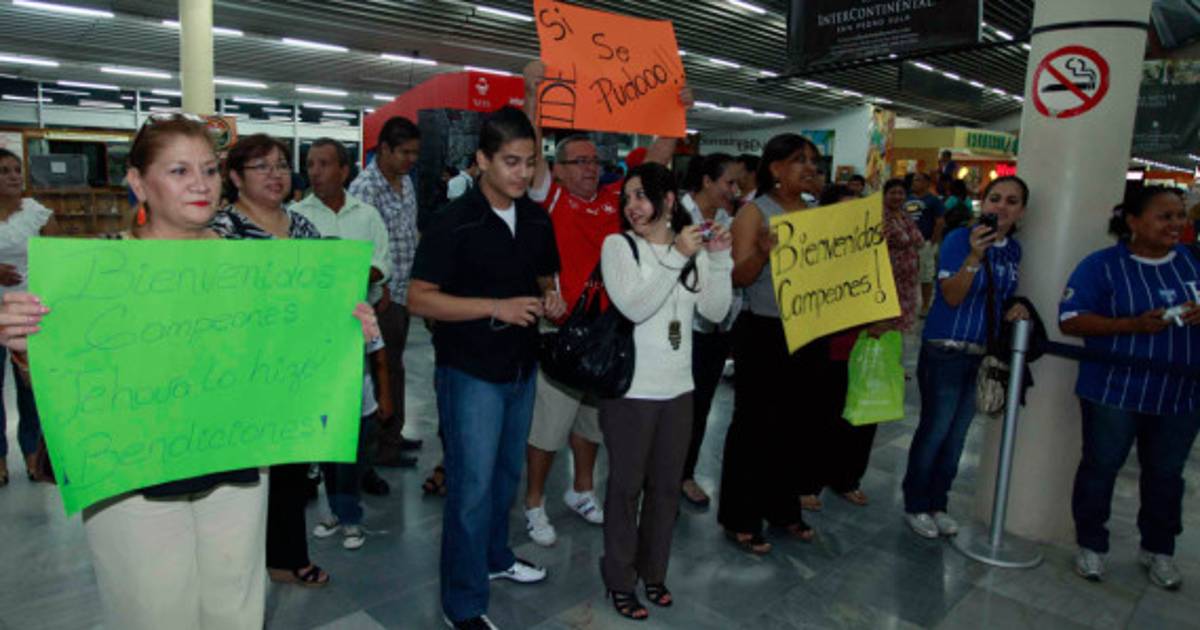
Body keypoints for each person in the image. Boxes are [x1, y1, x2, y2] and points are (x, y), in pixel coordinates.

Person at [0, 114, 380, 630]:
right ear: (138, 183)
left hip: (237, 465)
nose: (200, 184)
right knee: (155, 610)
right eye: (179, 171)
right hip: (133, 477)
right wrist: (26, 347)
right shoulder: (95, 272)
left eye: (209, 170)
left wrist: (345, 328)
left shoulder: (261, 268)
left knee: (236, 606)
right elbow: (63, 382)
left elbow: (289, 358)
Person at [518, 59, 692, 547]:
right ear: (557, 169)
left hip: (609, 332)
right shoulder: (550, 197)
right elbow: (530, 147)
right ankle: (534, 503)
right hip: (562, 329)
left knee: (592, 423)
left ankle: (580, 490)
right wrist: (533, 96)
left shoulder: (618, 200)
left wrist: (674, 112)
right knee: (548, 428)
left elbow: (656, 160)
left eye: (594, 160)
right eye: (579, 161)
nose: (591, 168)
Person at [408, 107, 565, 630]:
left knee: (504, 477)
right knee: (471, 489)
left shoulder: (536, 219)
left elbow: (545, 279)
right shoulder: (454, 221)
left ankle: (496, 557)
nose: (523, 173)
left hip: (521, 367)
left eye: (530, 161)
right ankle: (462, 603)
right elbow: (418, 298)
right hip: (470, 371)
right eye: (511, 162)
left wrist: (552, 298)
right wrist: (495, 307)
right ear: (482, 160)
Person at [599, 162, 732, 620]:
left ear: (669, 200)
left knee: (666, 491)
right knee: (625, 489)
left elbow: (714, 311)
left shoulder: (690, 247)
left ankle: (653, 572)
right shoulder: (619, 246)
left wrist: (719, 258)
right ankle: (619, 579)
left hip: (679, 389)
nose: (632, 206)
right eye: (627, 198)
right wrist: (677, 255)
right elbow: (635, 307)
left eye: (641, 195)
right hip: (631, 392)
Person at [1060, 187, 1200, 591]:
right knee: (1101, 467)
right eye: (1164, 216)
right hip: (1113, 391)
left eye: (1180, 216)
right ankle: (1091, 543)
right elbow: (1071, 320)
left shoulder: (1192, 263)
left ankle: (1159, 548)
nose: (1175, 224)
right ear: (1134, 221)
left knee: (1166, 475)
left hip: (1180, 394)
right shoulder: (1102, 267)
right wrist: (1133, 325)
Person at [213, 133, 331, 588]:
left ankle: (286, 556)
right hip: (240, 369)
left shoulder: (302, 227)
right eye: (261, 166)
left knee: (290, 469)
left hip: (294, 365)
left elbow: (323, 289)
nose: (275, 174)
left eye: (281, 165)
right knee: (242, 475)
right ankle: (239, 566)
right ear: (235, 177)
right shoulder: (221, 230)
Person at [901, 175, 1030, 539]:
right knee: (935, 430)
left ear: (1022, 211)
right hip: (945, 350)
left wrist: (1014, 307)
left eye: (1012, 201)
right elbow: (952, 295)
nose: (1001, 207)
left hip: (982, 355)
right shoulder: (960, 240)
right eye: (995, 198)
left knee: (957, 436)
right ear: (982, 203)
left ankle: (938, 503)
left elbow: (1001, 295)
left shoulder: (1013, 251)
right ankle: (915, 503)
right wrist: (974, 257)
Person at [718, 133, 822, 554]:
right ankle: (740, 516)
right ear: (776, 168)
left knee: (795, 425)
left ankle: (783, 509)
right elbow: (737, 276)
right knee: (754, 426)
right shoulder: (754, 213)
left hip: (807, 330)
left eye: (812, 160)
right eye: (800, 160)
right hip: (763, 331)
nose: (810, 168)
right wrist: (762, 254)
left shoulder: (815, 214)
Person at [807, 181, 923, 508]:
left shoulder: (872, 244)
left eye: (857, 208)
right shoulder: (815, 248)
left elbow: (884, 286)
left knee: (861, 418)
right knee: (824, 417)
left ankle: (846, 479)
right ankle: (808, 482)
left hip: (867, 344)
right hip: (829, 346)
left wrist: (885, 319)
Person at [349, 116, 424, 468]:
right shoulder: (366, 188)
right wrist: (378, 289)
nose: (411, 159)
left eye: (415, 153)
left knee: (395, 366)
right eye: (404, 152)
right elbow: (361, 248)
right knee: (383, 368)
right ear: (384, 149)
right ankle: (382, 446)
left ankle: (394, 433)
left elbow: (409, 231)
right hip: (382, 296)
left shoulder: (405, 182)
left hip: (405, 290)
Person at [678, 152, 742, 507]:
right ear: (706, 181)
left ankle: (685, 474)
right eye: (728, 182)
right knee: (674, 409)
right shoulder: (675, 214)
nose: (735, 190)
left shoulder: (726, 220)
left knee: (700, 406)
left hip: (717, 328)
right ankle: (660, 476)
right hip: (681, 329)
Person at [0, 147, 58, 487]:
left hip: (31, 312)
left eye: (16, 169)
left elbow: (58, 258)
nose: (13, 176)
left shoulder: (37, 213)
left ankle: (33, 453)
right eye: (4, 171)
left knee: (31, 389)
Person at [905, 172, 946, 316]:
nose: (914, 183)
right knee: (906, 275)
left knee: (925, 275)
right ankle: (907, 304)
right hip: (906, 243)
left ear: (927, 183)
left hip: (925, 243)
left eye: (918, 180)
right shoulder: (907, 199)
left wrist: (932, 240)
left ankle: (925, 305)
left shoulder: (933, 200)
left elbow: (940, 221)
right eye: (914, 180)